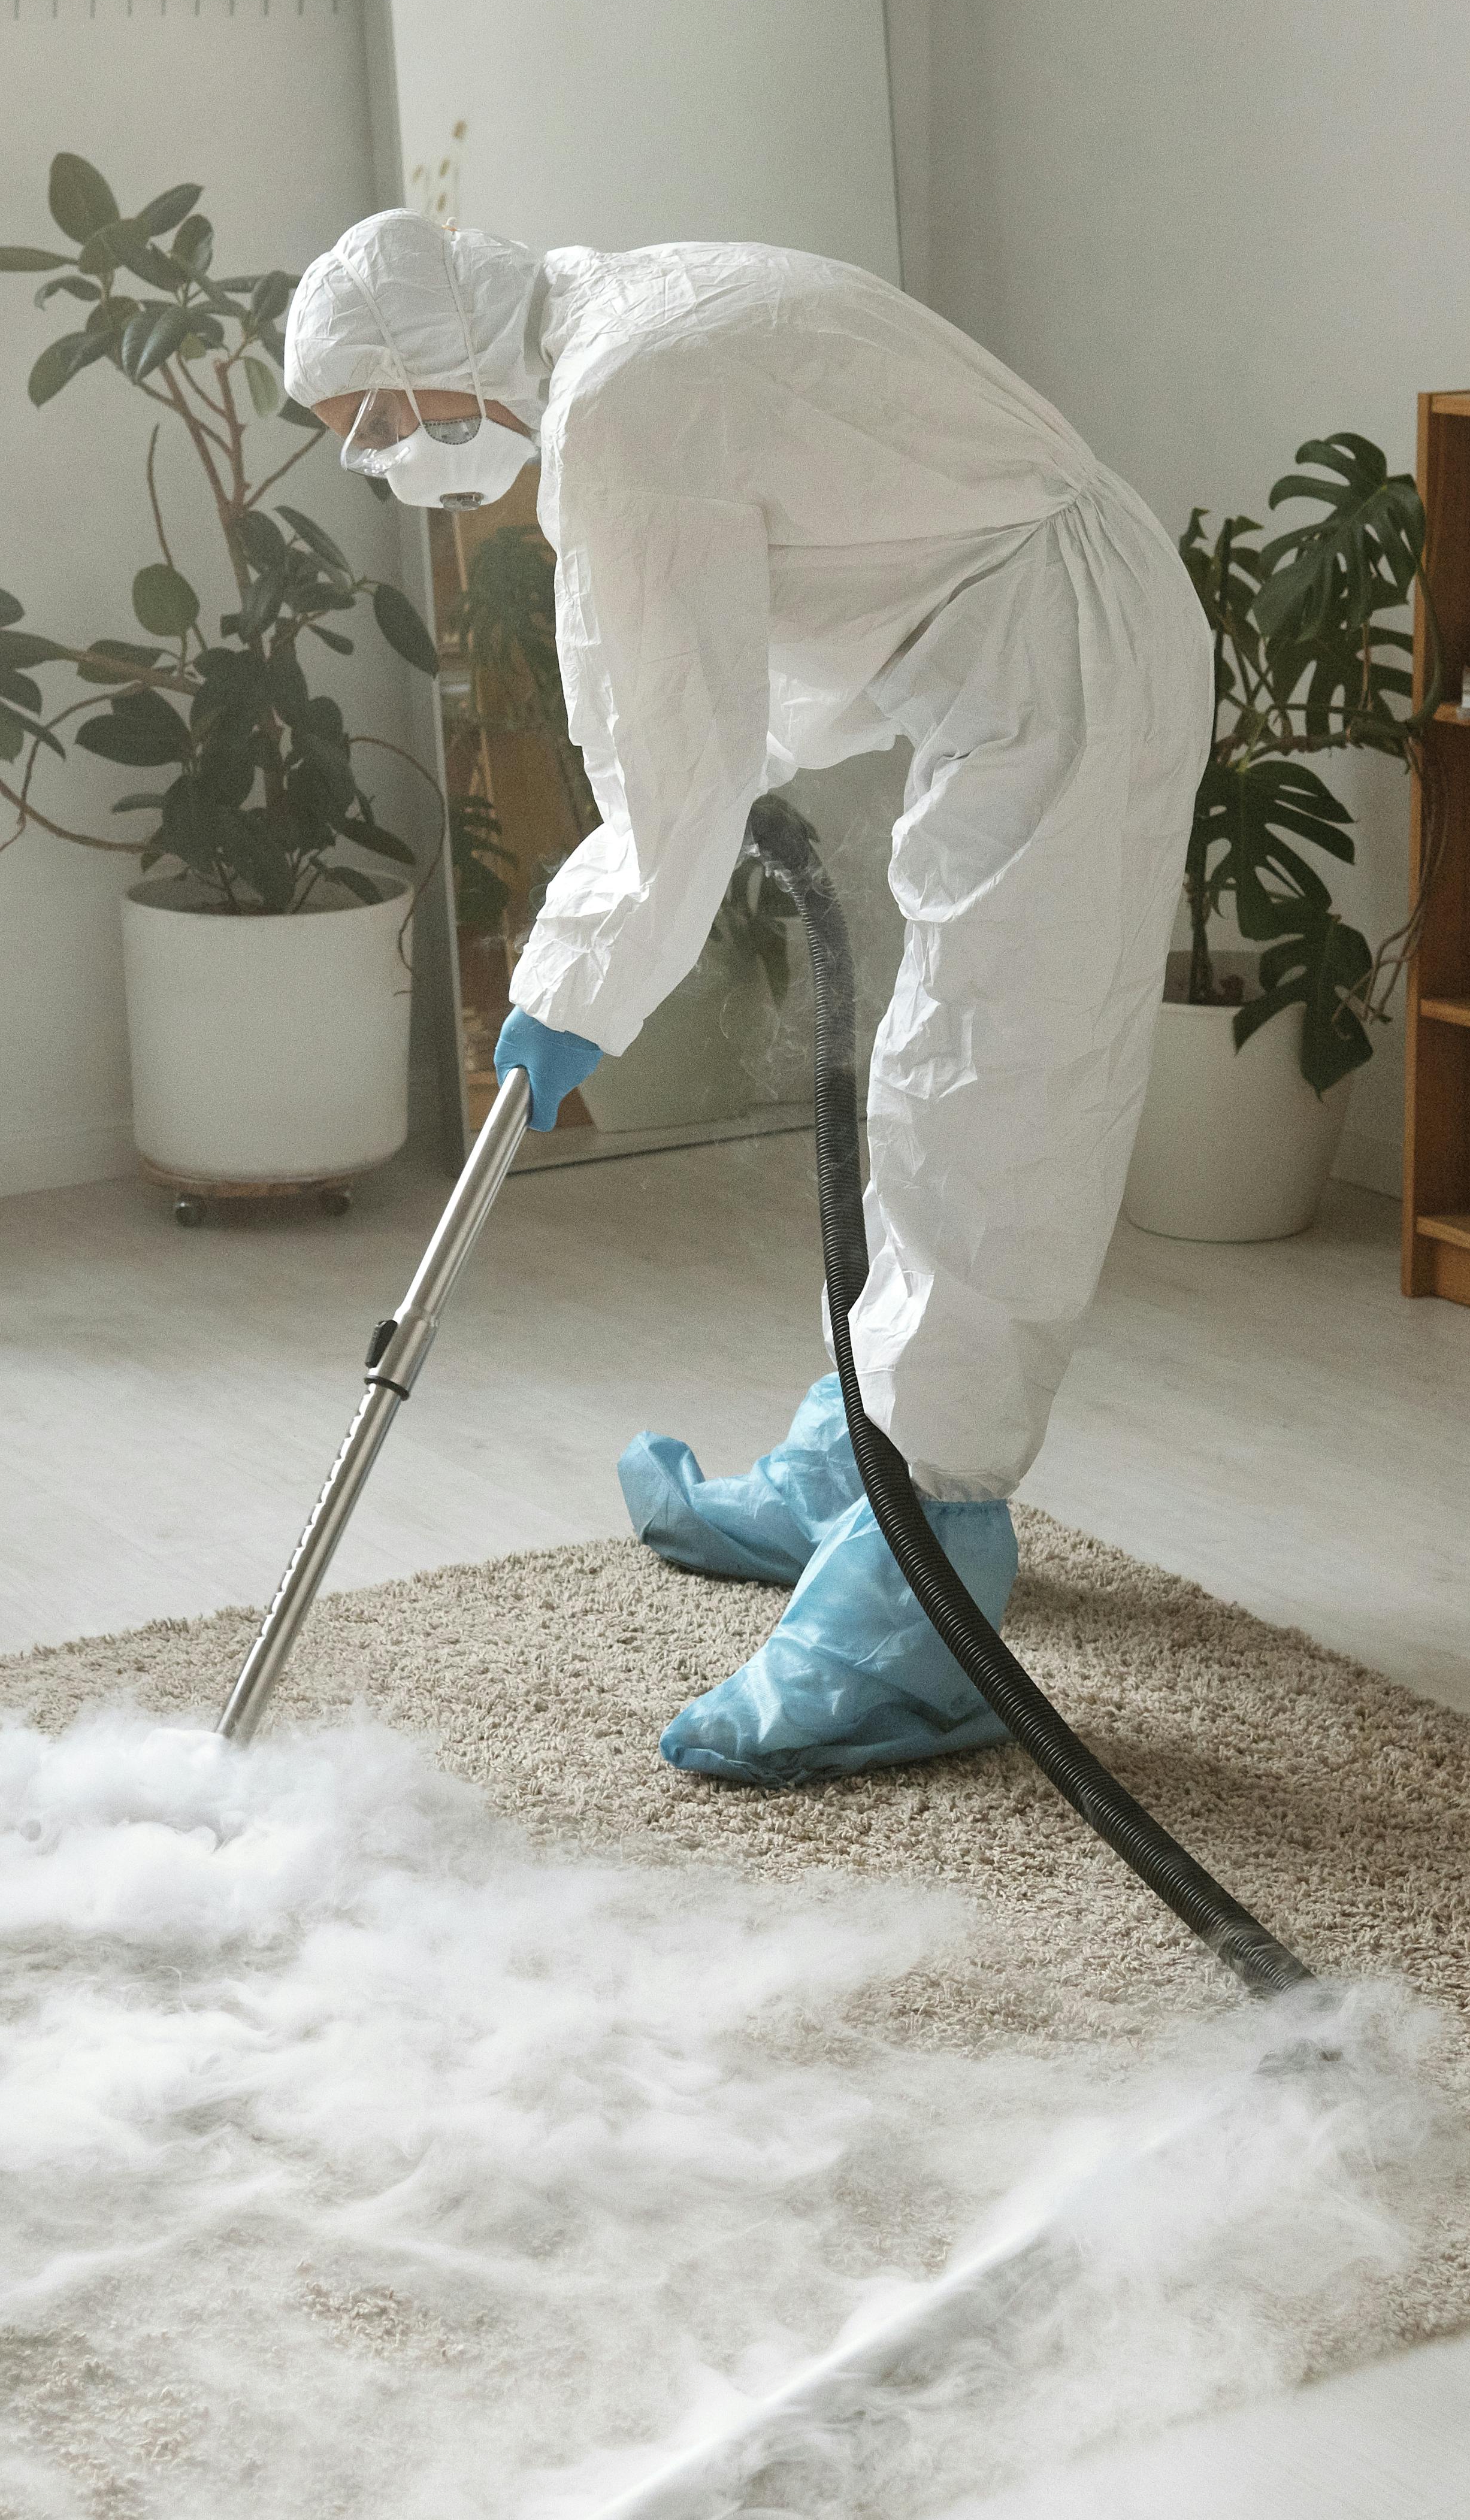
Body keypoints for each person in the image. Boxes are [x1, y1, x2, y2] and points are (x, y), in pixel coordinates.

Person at [281, 211, 1200, 1788]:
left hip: (1065, 657)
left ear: (438, 368)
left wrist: (576, 983)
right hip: (1011, 649)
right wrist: (647, 884)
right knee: (939, 1075)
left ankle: (925, 1586)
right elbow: (727, 652)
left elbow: (668, 768)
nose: (379, 458)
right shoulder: (621, 337)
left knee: (989, 1102)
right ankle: (863, 1455)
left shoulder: (623, 404)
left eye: (374, 418)